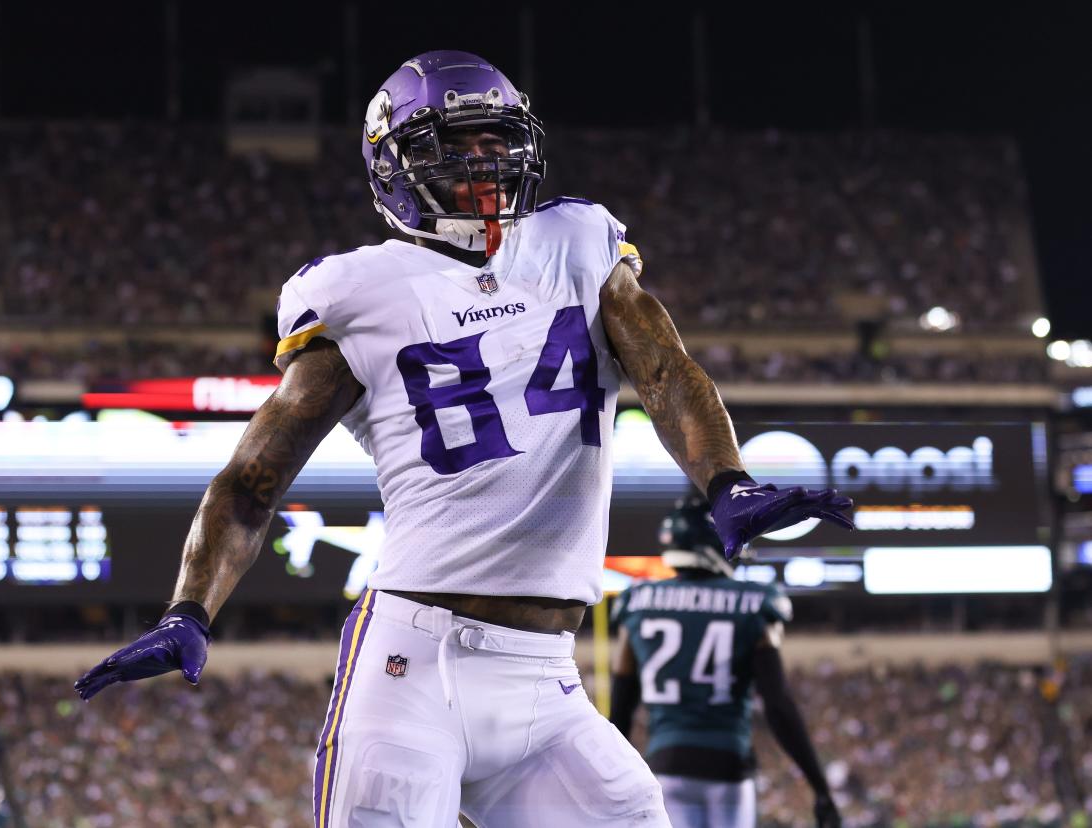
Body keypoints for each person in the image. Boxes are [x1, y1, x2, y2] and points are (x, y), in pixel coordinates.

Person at [75, 50, 853, 826]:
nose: (486, 161)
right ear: (394, 165)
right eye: (459, 143)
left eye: (496, 140)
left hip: (547, 684)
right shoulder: (355, 294)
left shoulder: (578, 244)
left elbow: (664, 370)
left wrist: (726, 479)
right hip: (413, 666)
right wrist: (190, 608)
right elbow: (253, 480)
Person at [610, 496, 841, 828]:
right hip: (728, 765)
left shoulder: (637, 602)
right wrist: (820, 788)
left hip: (666, 765)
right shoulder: (753, 601)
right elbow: (778, 706)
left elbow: (620, 712)